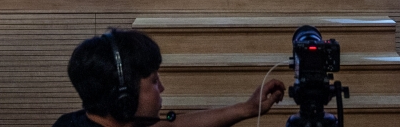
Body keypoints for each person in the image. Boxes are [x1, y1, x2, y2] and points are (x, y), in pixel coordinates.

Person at [56, 29, 286, 127]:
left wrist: (248, 108)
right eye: (154, 81)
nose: (162, 88)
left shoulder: (79, 120)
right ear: (123, 96)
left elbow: (173, 125)